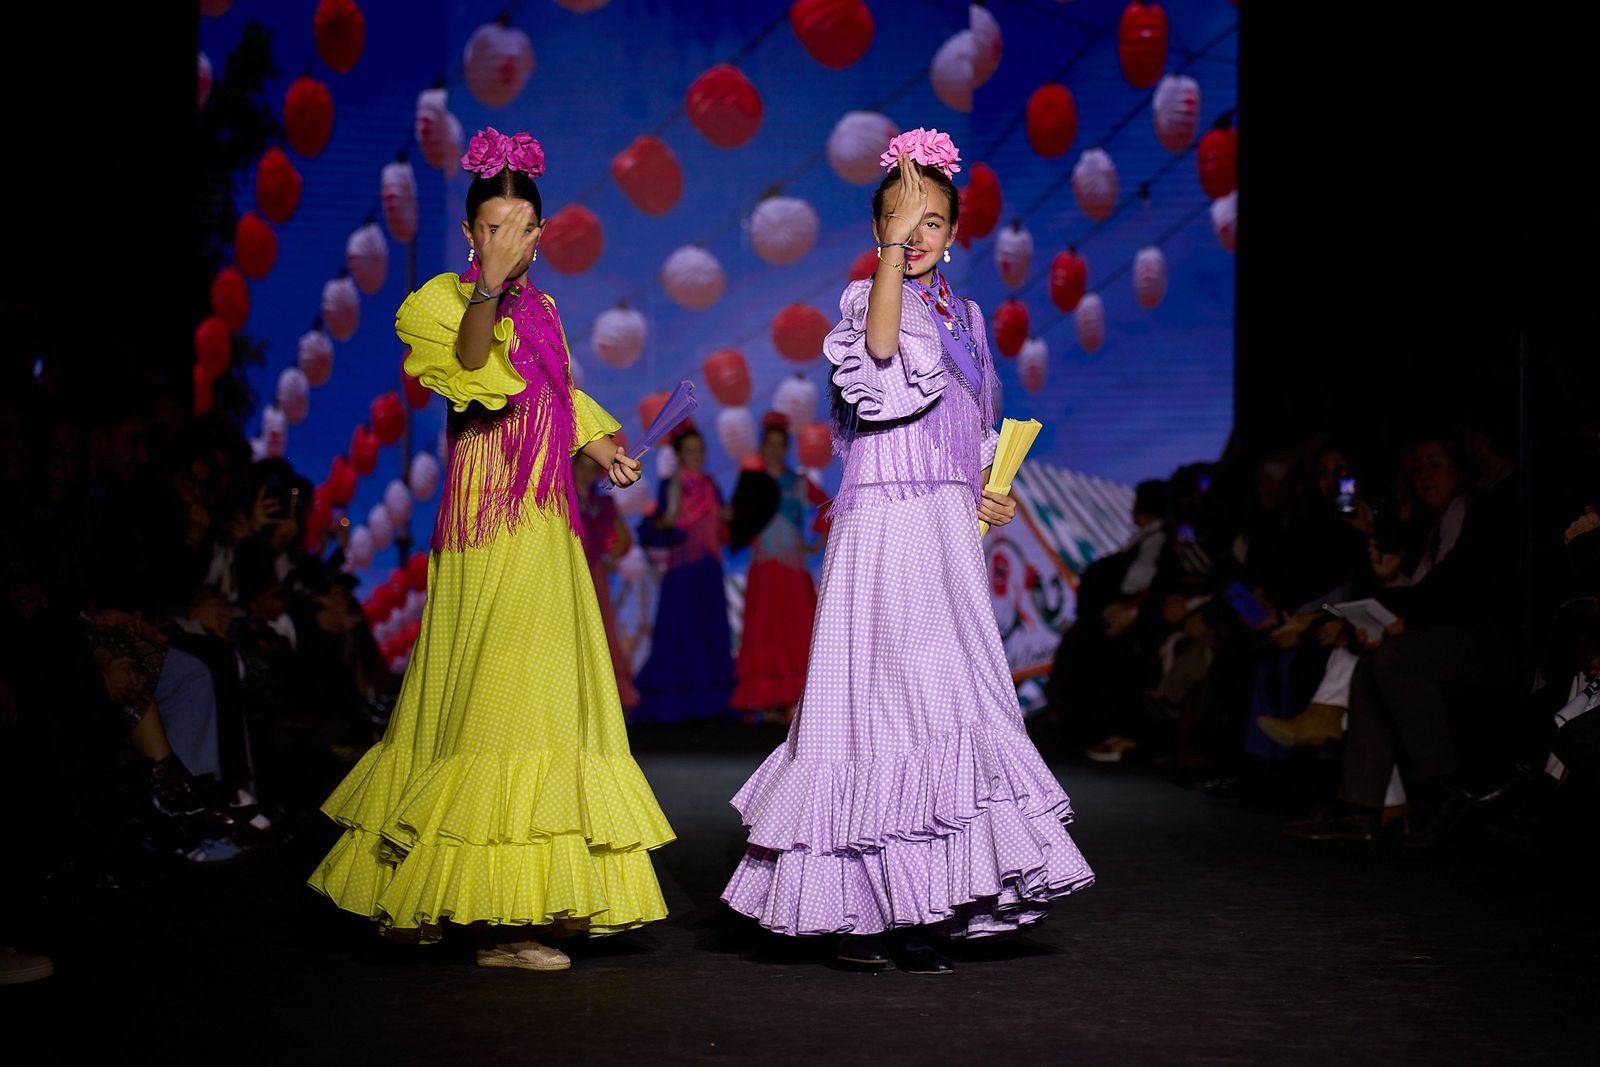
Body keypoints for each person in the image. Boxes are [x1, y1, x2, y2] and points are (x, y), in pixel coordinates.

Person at [721, 130, 1095, 974]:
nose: (916, 232)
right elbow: (884, 359)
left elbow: (968, 434)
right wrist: (886, 256)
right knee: (877, 707)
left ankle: (926, 901)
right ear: (878, 229)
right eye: (898, 216)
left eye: (932, 218)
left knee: (946, 707)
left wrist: (989, 496)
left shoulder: (966, 320)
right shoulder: (866, 300)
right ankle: (856, 909)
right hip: (886, 531)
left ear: (956, 233)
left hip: (947, 534)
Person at [307, 129, 675, 971]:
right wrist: (489, 286)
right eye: (495, 226)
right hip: (486, 524)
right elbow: (475, 369)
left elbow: (556, 395)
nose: (513, 239)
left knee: (538, 698)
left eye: (525, 227)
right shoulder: (442, 301)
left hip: (543, 520)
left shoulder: (542, 312)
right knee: (489, 696)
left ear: (540, 234)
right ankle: (488, 914)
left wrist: (601, 449)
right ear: (473, 233)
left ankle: (526, 898)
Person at [728, 418, 828, 723]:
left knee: (796, 632)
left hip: (793, 569)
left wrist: (815, 544)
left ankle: (793, 702)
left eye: (779, 445)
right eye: (768, 444)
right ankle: (767, 702)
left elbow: (828, 507)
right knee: (764, 632)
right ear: (762, 447)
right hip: (763, 568)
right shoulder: (751, 482)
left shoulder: (799, 482)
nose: (773, 450)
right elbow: (736, 521)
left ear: (786, 448)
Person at [632, 428, 734, 722]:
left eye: (700, 449)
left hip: (708, 570)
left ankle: (710, 705)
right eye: (690, 450)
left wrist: (727, 520)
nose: (697, 456)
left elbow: (722, 531)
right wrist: (666, 526)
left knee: (709, 633)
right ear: (678, 455)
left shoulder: (711, 486)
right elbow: (651, 531)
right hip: (682, 572)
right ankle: (674, 705)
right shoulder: (671, 487)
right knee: (680, 634)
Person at [574, 453, 639, 710]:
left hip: (594, 573)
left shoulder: (602, 502)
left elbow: (624, 538)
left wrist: (608, 559)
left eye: (593, 469)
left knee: (599, 631)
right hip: (569, 571)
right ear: (573, 467)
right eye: (583, 467)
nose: (587, 474)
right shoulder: (560, 499)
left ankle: (603, 701)